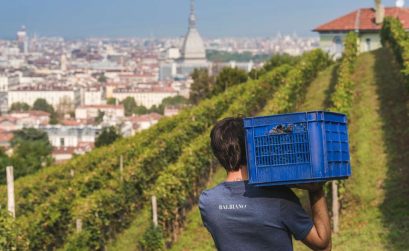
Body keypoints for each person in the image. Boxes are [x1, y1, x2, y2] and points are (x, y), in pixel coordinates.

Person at [199, 117, 331, 251]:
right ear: (253, 147)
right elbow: (323, 245)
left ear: (217, 154)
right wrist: (316, 191)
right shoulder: (279, 198)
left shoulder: (208, 202)